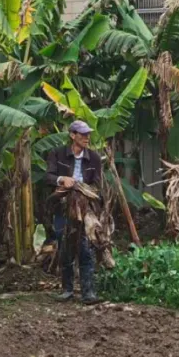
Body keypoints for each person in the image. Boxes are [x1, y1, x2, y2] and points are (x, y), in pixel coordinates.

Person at [45, 120, 103, 303]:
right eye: (83, 134)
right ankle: (67, 289)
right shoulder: (57, 153)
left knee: (85, 247)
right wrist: (63, 179)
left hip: (84, 207)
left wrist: (86, 192)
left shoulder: (94, 158)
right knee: (64, 245)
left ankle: (88, 292)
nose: (87, 137)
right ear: (72, 135)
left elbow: (98, 184)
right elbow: (48, 176)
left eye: (88, 134)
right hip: (63, 205)